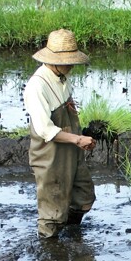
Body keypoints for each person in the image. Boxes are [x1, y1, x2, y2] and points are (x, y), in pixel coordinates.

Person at [23, 29, 96, 239]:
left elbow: (65, 105)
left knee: (83, 195)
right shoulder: (37, 86)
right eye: (68, 61)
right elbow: (45, 129)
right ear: (53, 60)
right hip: (50, 154)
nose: (72, 65)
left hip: (70, 149)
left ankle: (71, 234)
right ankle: (50, 250)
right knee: (52, 210)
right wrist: (78, 139)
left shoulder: (62, 76)